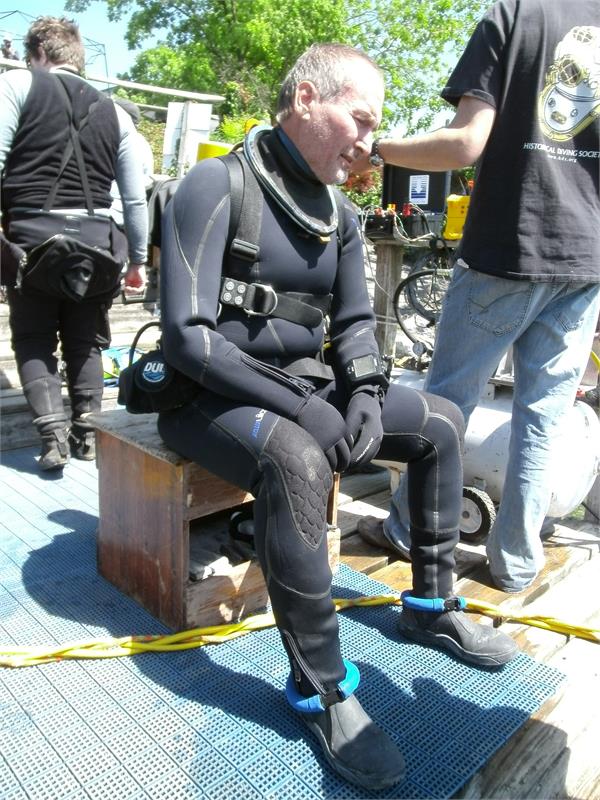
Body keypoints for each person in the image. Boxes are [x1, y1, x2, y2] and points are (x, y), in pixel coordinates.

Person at [158, 43, 516, 791]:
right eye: (361, 119)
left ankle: (429, 604)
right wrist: (303, 409)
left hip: (301, 386)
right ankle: (321, 688)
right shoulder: (216, 184)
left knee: (441, 423)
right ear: (306, 99)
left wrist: (362, 395)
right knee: (296, 459)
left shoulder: (340, 213)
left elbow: (354, 324)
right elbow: (188, 339)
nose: (369, 140)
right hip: (206, 396)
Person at [356, 0, 600, 593]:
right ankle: (516, 563)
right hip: (585, 258)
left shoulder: (514, 15)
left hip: (508, 248)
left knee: (446, 402)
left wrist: (379, 149)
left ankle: (408, 530)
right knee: (544, 417)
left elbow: (465, 144)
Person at [0, 16, 148, 470]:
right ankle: (88, 436)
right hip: (96, 246)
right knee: (87, 343)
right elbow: (134, 198)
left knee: (34, 339)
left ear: (38, 54)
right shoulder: (117, 113)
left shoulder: (17, 84)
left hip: (31, 243)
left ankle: (52, 440)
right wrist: (138, 260)